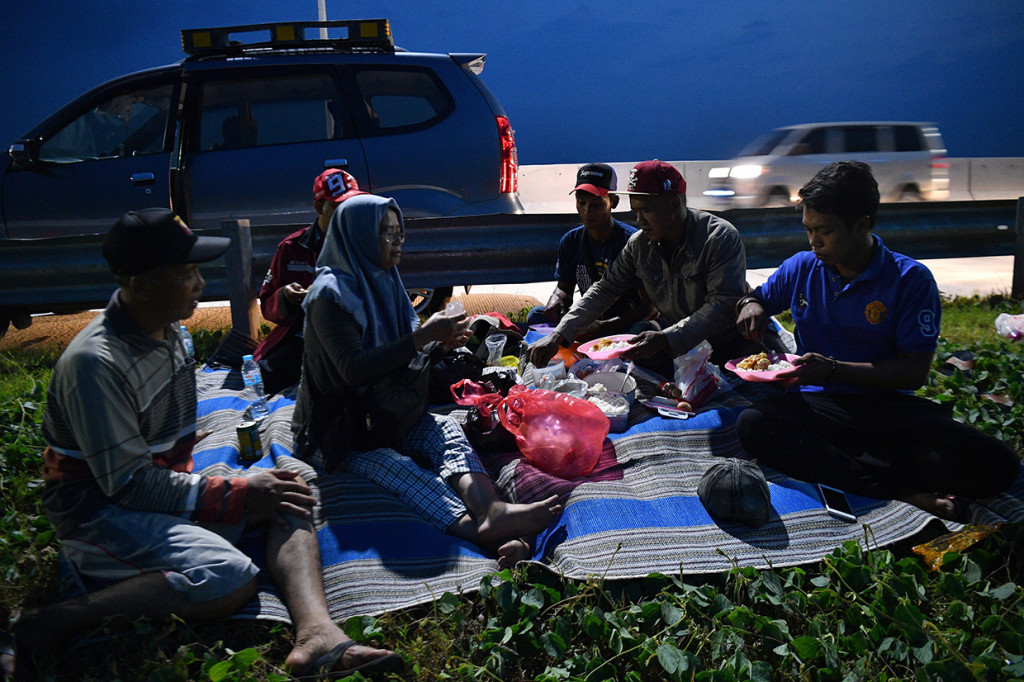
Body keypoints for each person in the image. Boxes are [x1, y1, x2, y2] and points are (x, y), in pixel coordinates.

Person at [7, 208, 401, 680]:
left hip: (160, 486)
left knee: (289, 493)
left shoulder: (170, 330)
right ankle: (52, 620)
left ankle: (317, 635)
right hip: (100, 512)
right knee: (228, 578)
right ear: (142, 285)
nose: (198, 283)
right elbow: (127, 486)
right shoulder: (96, 364)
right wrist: (235, 492)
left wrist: (232, 486)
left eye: (197, 270)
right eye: (186, 273)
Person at [734, 161, 1019, 519]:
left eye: (825, 231)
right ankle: (899, 490)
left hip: (886, 408)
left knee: (1000, 465)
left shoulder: (910, 280)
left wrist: (832, 370)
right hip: (820, 406)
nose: (814, 241)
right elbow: (757, 297)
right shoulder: (803, 267)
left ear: (862, 225)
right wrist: (751, 306)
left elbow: (913, 373)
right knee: (754, 424)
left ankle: (859, 468)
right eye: (808, 229)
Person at [291, 194, 562, 567]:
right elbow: (353, 369)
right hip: (341, 430)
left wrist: (439, 342)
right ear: (357, 236)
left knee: (446, 431)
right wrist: (422, 337)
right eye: (386, 233)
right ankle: (486, 534)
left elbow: (402, 353)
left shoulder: (385, 280)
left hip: (384, 413)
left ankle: (491, 509)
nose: (397, 241)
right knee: (396, 468)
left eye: (399, 231)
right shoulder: (330, 297)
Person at [529, 159, 763, 374]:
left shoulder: (718, 237)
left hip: (727, 342)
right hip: (680, 345)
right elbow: (604, 289)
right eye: (636, 211)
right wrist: (559, 335)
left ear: (673, 204)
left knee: (753, 390)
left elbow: (722, 306)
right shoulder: (639, 244)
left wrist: (666, 338)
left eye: (646, 210)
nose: (639, 220)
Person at [253, 168, 364, 393]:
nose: (345, 213)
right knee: (264, 379)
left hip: (357, 335)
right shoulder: (292, 248)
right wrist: (286, 297)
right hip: (305, 338)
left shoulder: (366, 243)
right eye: (337, 206)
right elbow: (267, 306)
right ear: (318, 207)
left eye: (351, 205)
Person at [525, 163, 656, 338]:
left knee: (641, 329)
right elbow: (564, 288)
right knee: (536, 315)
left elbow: (650, 308)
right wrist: (557, 298)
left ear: (613, 202)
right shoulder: (571, 241)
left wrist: (601, 327)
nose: (588, 211)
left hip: (622, 322)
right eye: (582, 203)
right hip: (591, 318)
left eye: (596, 204)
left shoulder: (632, 242)